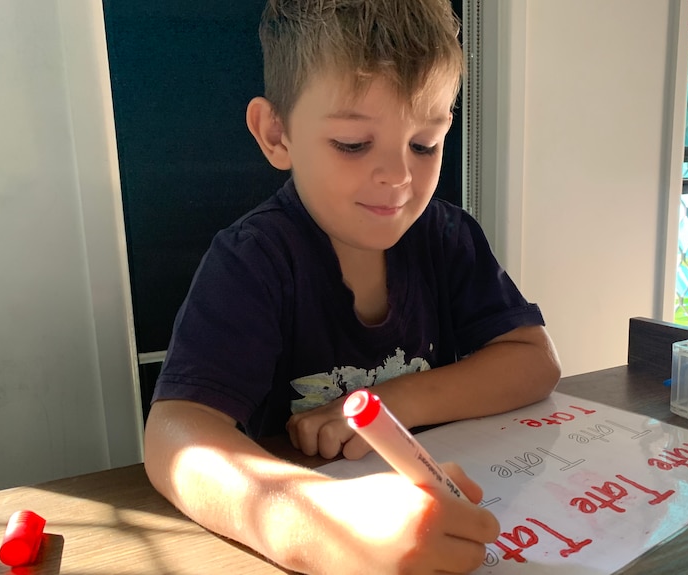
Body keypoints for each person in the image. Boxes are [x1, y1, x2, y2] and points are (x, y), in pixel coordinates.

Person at [144, 1, 561, 573]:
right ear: (276, 133)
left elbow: (534, 361)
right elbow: (173, 434)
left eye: (425, 143)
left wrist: (386, 406)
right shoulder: (254, 260)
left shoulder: (448, 237)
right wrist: (316, 524)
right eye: (352, 143)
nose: (399, 176)